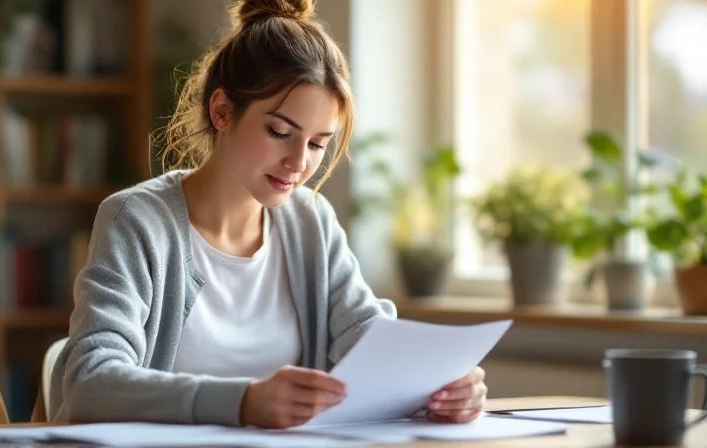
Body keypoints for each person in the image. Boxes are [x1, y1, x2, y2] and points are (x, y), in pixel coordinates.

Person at [48, 0, 488, 429]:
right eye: (280, 132)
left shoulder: (310, 222)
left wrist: (440, 385)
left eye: (317, 143)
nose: (300, 162)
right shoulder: (138, 220)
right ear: (221, 111)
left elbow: (371, 340)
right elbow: (91, 381)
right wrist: (243, 402)